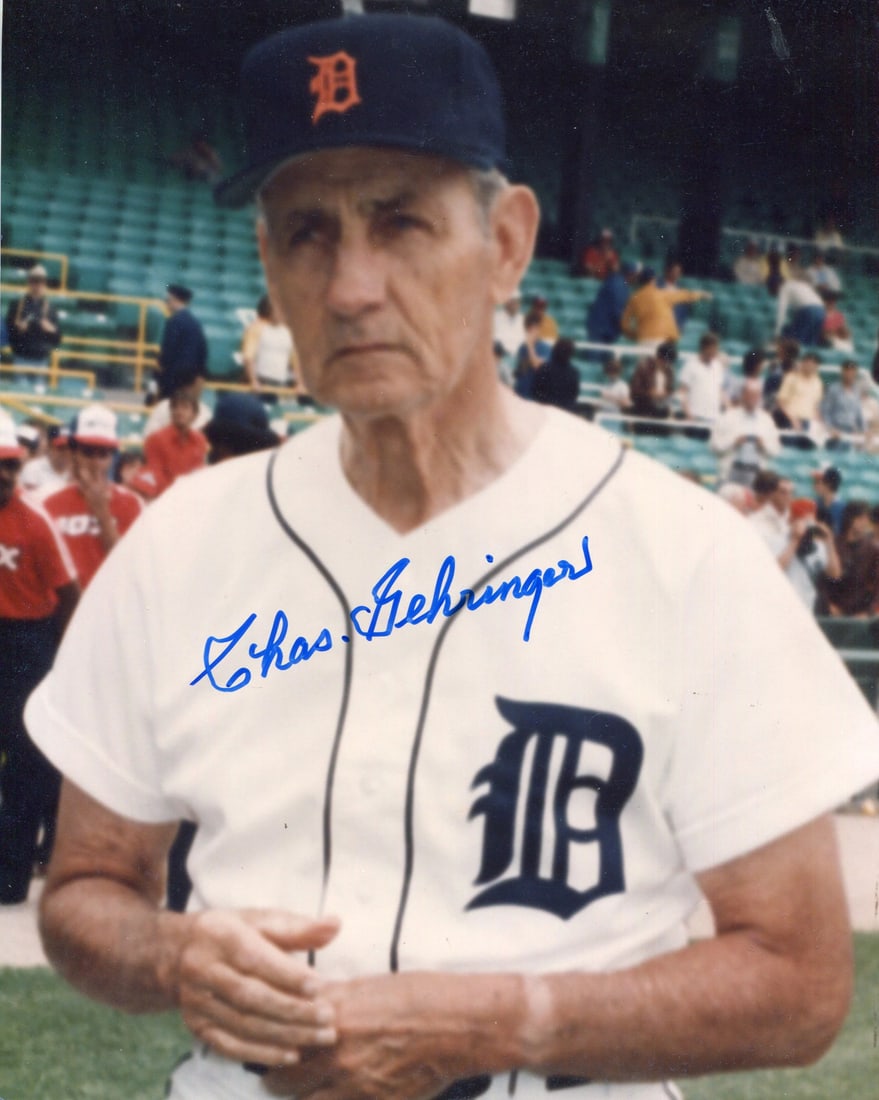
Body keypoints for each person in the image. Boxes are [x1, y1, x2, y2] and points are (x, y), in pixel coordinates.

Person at [24, 16, 879, 1100]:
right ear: (267, 268)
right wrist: (172, 955)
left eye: (403, 223)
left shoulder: (684, 552)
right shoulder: (183, 544)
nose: (351, 287)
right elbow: (88, 889)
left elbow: (801, 982)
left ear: (509, 243)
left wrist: (502, 1017)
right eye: (307, 234)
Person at [0, 411, 79, 904]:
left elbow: (68, 594)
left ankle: (9, 877)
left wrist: (66, 660)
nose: (4, 476)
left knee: (26, 763)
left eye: (10, 465)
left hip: (27, 643)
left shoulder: (35, 520)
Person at [41, 405, 144, 590]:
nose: (95, 462)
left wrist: (102, 513)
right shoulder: (49, 503)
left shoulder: (132, 503)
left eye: (103, 454)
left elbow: (131, 567)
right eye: (87, 452)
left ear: (112, 458)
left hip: (108, 604)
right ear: (73, 453)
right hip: (64, 609)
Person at [132, 389, 208, 499]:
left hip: (189, 497)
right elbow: (155, 474)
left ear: (195, 415)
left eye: (185, 407)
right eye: (175, 407)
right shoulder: (155, 439)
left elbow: (198, 474)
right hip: (162, 497)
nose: (179, 411)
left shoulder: (200, 440)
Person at [710, 379, 780, 486]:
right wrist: (733, 442)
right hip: (731, 471)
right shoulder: (727, 417)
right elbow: (714, 446)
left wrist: (763, 445)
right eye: (750, 395)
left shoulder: (767, 420)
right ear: (742, 395)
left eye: (756, 396)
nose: (753, 399)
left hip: (756, 473)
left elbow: (775, 450)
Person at [620, 268, 710, 347]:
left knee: (645, 366)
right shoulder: (662, 294)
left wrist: (636, 336)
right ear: (653, 280)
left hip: (643, 340)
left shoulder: (634, 298)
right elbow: (686, 295)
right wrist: (702, 294)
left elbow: (624, 324)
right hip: (663, 341)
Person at [817, 501, 879, 617]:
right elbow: (823, 580)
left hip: (858, 612)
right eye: (860, 518)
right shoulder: (834, 543)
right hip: (832, 609)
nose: (864, 523)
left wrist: (867, 613)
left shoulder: (873, 550)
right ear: (850, 518)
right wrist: (828, 605)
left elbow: (876, 587)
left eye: (866, 519)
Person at [156, 284, 209, 399]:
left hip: (173, 378)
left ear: (175, 300)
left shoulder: (174, 322)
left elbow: (168, 351)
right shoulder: (195, 323)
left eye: (168, 300)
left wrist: (161, 368)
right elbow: (203, 351)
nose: (167, 303)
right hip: (191, 378)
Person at [4, 264, 62, 366]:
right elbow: (8, 331)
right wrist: (18, 329)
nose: (37, 285)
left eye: (41, 281)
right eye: (34, 280)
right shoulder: (16, 305)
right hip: (21, 356)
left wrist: (52, 330)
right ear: (29, 282)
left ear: (45, 283)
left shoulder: (52, 308)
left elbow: (57, 339)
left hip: (41, 358)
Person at [584, 257, 639, 357]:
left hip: (604, 328)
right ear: (630, 273)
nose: (636, 278)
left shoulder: (618, 281)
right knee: (595, 360)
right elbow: (617, 311)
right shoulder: (619, 284)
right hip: (601, 329)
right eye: (635, 275)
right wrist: (628, 329)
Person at [675, 333, 727, 424]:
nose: (716, 351)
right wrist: (689, 415)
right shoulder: (690, 365)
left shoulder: (718, 366)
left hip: (713, 418)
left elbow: (720, 391)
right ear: (706, 348)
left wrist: (729, 408)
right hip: (695, 417)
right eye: (714, 349)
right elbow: (681, 393)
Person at [20, 424, 72, 498]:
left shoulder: (76, 473)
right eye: (61, 448)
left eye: (70, 447)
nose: (66, 452)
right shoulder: (33, 469)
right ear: (49, 446)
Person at [821, 359, 865, 445]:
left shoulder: (856, 390)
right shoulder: (833, 389)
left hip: (851, 431)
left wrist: (863, 430)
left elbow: (859, 412)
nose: (849, 374)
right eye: (847, 371)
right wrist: (831, 428)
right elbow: (825, 411)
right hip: (836, 431)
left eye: (852, 372)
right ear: (842, 372)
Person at [530, 338, 580, 412]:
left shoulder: (544, 369)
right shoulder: (574, 373)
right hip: (564, 413)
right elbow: (573, 396)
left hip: (545, 411)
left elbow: (535, 392)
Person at [775, 277, 826, 347]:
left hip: (808, 311)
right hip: (821, 310)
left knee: (798, 342)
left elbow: (781, 311)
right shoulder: (801, 284)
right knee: (811, 342)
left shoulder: (784, 288)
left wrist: (778, 333)